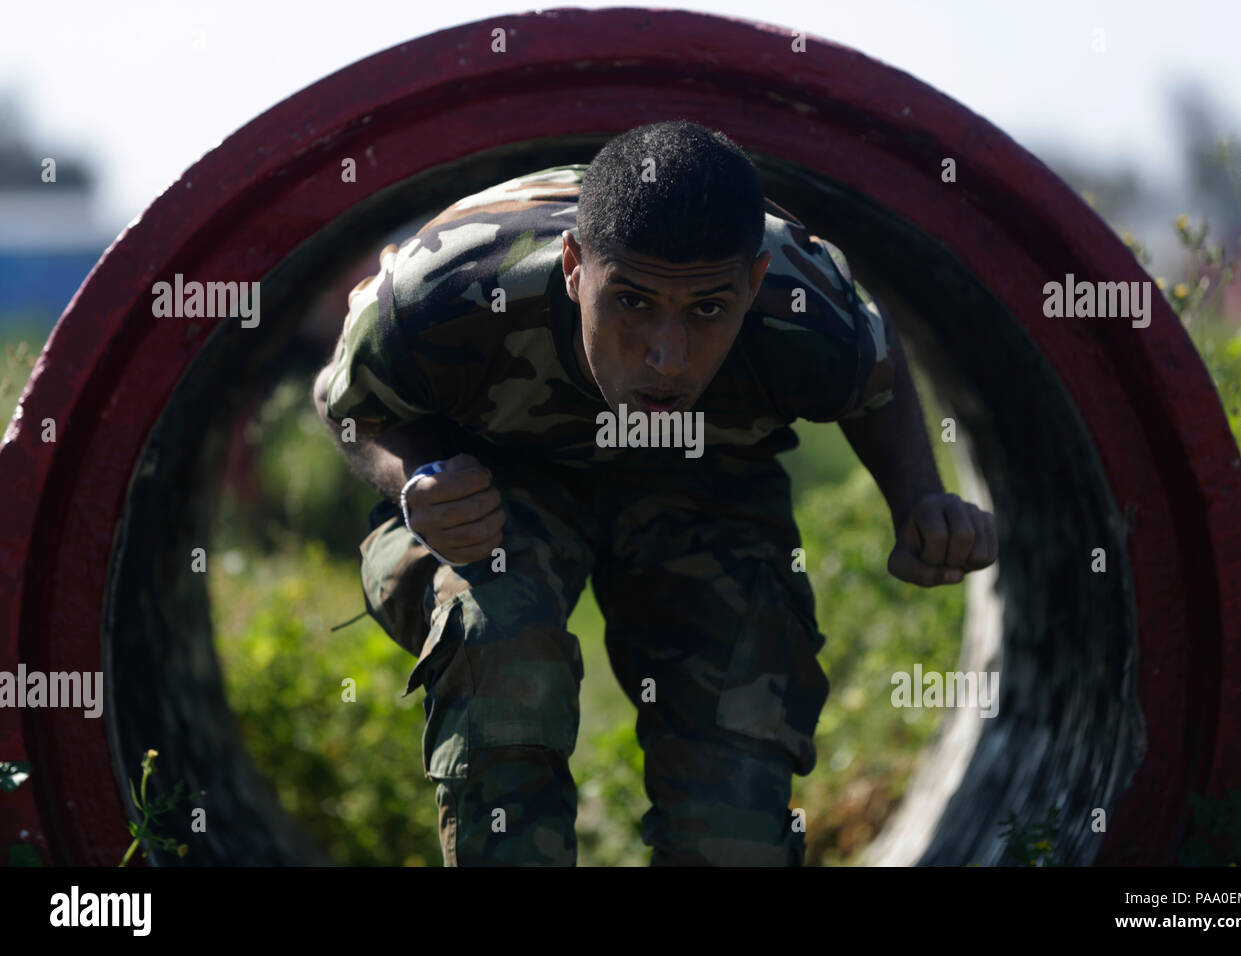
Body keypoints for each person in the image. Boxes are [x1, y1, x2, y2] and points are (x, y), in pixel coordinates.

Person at [312, 119, 997, 866]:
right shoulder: (447, 285)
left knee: (732, 791)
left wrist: (918, 499)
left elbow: (875, 374)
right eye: (632, 302)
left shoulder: (806, 305)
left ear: (754, 285)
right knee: (498, 636)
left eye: (707, 310)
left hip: (706, 485)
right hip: (500, 478)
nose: (667, 358)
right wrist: (415, 480)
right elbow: (345, 403)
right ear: (574, 267)